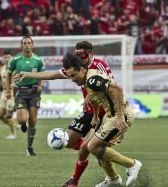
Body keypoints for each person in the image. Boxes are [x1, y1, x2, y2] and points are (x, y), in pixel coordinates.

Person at [15, 41, 113, 187]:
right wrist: (28, 74)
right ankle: (92, 148)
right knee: (67, 141)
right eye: (77, 54)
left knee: (86, 148)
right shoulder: (75, 67)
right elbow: (52, 74)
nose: (79, 56)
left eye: (82, 54)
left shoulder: (99, 66)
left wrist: (91, 95)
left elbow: (111, 86)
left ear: (90, 53)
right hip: (87, 111)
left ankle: (76, 179)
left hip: (103, 114)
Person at [62, 53, 142, 187]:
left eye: (74, 75)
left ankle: (132, 164)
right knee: (101, 150)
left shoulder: (92, 79)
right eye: (69, 76)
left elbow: (117, 89)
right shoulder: (86, 80)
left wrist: (121, 116)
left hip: (120, 114)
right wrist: (94, 116)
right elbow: (94, 97)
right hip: (109, 116)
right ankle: (113, 179)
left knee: (92, 146)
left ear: (82, 70)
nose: (72, 79)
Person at [6, 36, 45, 156]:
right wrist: (8, 91)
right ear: (21, 45)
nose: (27, 45)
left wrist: (41, 86)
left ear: (32, 45)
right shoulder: (15, 60)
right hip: (20, 92)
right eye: (25, 43)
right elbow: (8, 75)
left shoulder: (38, 60)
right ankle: (22, 124)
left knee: (33, 121)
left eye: (29, 43)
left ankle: (29, 148)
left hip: (34, 92)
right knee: (22, 119)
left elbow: (42, 74)